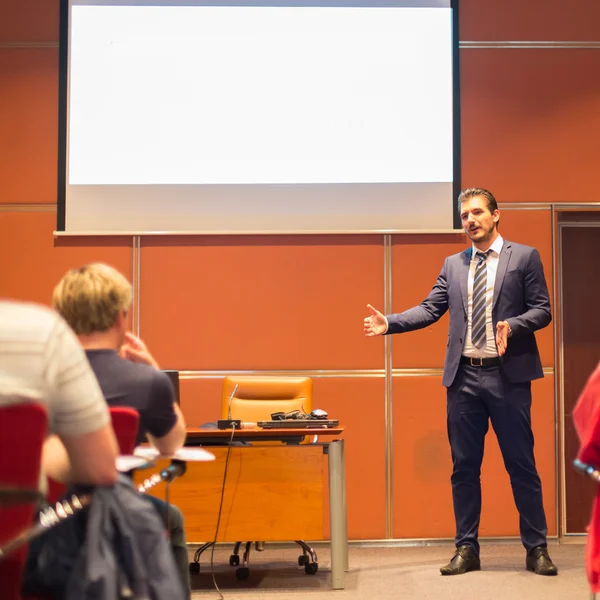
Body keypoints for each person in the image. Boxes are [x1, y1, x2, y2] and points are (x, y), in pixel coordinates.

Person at [364, 188, 557, 576]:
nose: (470, 220)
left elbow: (543, 309)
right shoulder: (454, 264)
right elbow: (430, 309)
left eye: (477, 212)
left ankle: (537, 549)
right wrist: (390, 323)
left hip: (508, 378)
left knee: (521, 465)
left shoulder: (524, 257)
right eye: (465, 214)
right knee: (464, 468)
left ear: (496, 215)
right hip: (464, 378)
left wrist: (513, 325)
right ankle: (466, 549)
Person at [51, 263, 191, 598]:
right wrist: (154, 370)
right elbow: (172, 444)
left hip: (43, 518)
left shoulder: (40, 377)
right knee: (171, 517)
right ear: (119, 319)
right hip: (115, 517)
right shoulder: (146, 382)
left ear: (63, 319)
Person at [0, 299, 118, 488]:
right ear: (119, 317)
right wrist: (41, 450)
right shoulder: (47, 334)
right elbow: (100, 468)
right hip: (28, 516)